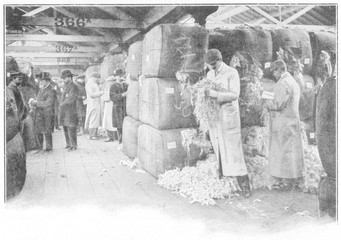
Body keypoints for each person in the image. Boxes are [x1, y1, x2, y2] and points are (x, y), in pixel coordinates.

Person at [204, 49, 251, 198]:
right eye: (209, 65)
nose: (212, 67)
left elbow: (234, 94)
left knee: (233, 151)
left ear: (219, 60)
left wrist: (216, 95)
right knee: (218, 146)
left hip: (228, 115)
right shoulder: (210, 74)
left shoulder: (231, 73)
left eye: (213, 64)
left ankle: (245, 185)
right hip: (215, 116)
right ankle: (224, 178)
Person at [265, 60, 304, 190]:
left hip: (283, 122)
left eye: (274, 72)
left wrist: (267, 101)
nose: (274, 75)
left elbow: (278, 105)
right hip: (292, 120)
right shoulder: (293, 81)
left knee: (284, 151)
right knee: (292, 150)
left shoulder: (283, 83)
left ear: (279, 70)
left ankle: (287, 182)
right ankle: (294, 178)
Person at [30, 72, 56, 152]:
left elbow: (48, 103)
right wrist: (34, 102)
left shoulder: (51, 90)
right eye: (40, 81)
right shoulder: (42, 89)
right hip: (39, 114)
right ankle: (39, 148)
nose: (40, 82)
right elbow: (39, 100)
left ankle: (49, 148)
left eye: (42, 81)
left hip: (47, 114)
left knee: (47, 131)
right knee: (38, 131)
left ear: (47, 81)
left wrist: (36, 103)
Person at [59, 69, 79, 151]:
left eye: (66, 78)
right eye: (63, 78)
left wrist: (62, 105)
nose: (64, 79)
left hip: (71, 110)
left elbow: (71, 99)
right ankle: (68, 143)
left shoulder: (73, 87)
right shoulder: (65, 86)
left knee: (71, 128)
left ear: (70, 77)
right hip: (65, 110)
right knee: (65, 127)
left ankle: (73, 145)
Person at [109, 69, 127, 145]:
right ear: (115, 77)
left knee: (125, 125)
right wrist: (122, 95)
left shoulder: (126, 85)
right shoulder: (113, 86)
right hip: (117, 108)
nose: (120, 77)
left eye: (121, 75)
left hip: (124, 108)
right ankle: (120, 142)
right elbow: (112, 97)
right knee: (119, 126)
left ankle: (125, 142)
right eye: (118, 76)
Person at [85, 72, 103, 140]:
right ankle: (92, 135)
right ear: (93, 77)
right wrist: (101, 93)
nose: (97, 79)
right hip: (92, 104)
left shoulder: (94, 83)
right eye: (97, 78)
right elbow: (91, 94)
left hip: (96, 103)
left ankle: (95, 133)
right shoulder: (89, 84)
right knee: (93, 119)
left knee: (96, 119)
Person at [102, 75, 117, 142]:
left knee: (110, 121)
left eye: (109, 81)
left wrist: (103, 97)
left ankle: (112, 137)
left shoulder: (113, 88)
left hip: (111, 106)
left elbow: (107, 97)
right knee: (108, 121)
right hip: (108, 106)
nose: (108, 83)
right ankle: (111, 137)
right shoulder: (109, 87)